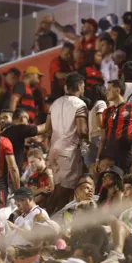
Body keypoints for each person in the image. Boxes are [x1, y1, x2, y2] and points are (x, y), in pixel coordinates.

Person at [45, 73, 88, 214]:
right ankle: (45, 216)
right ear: (80, 86)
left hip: (54, 150)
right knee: (64, 190)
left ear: (65, 87)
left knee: (61, 190)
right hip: (69, 152)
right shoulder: (80, 104)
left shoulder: (54, 104)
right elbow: (82, 130)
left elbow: (47, 129)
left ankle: (56, 220)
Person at [96, 80, 132, 172]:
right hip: (108, 154)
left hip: (125, 155)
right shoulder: (107, 111)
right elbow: (103, 137)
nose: (106, 92)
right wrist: (98, 158)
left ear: (117, 90)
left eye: (109, 89)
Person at [7, 187, 50, 262]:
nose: (16, 204)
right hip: (16, 254)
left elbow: (39, 240)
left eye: (19, 200)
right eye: (15, 201)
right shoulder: (19, 218)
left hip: (30, 255)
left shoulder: (39, 214)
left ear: (30, 199)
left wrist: (15, 227)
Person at [85, 85, 107, 170]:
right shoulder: (101, 103)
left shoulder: (91, 106)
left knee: (93, 166)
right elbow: (100, 122)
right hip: (99, 137)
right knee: (101, 165)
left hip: (92, 137)